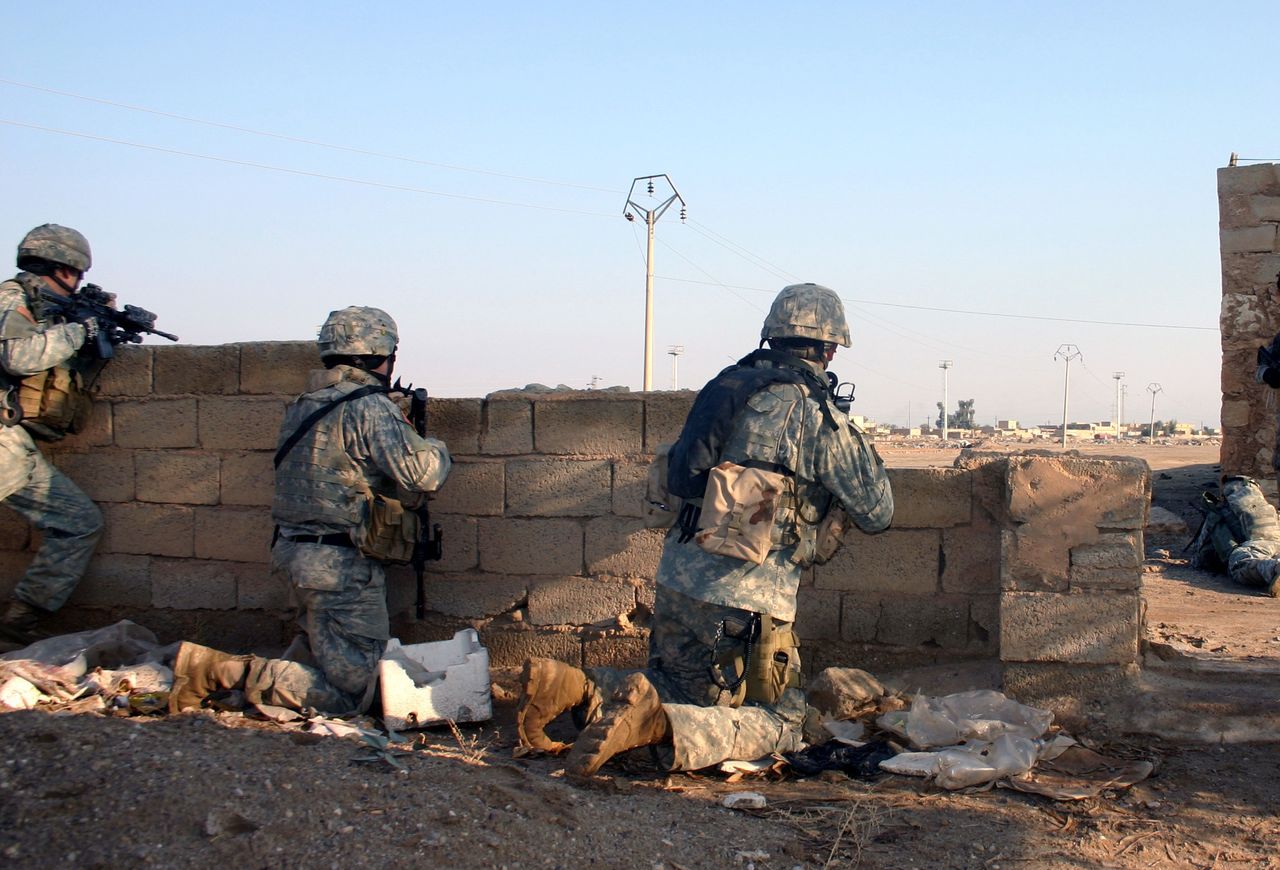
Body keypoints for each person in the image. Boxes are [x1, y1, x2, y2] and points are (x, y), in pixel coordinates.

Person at [517, 283, 894, 775]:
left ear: (772, 338)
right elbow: (877, 510)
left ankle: (572, 686)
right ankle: (661, 728)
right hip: (748, 599)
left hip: (679, 578)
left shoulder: (726, 389)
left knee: (675, 680)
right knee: (782, 722)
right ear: (828, 348)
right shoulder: (811, 411)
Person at [169, 306, 451, 714]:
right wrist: (435, 445)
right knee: (363, 695)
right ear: (380, 356)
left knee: (323, 660)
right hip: (339, 569)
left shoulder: (305, 404)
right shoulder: (369, 408)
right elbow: (423, 474)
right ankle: (220, 671)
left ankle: (249, 677)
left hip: (296, 555)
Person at [0, 224, 107, 650]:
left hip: (17, 445)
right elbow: (16, 355)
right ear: (63, 268)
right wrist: (79, 331)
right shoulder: (11, 297)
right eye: (77, 274)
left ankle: (18, 623)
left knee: (79, 524)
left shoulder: (46, 312)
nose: (78, 282)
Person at [1189, 475, 1280, 597]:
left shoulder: (1219, 512)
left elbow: (1203, 555)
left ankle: (1274, 569)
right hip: (1276, 543)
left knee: (1240, 565)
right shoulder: (1266, 508)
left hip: (1253, 546)